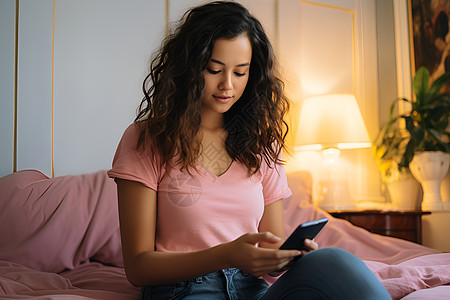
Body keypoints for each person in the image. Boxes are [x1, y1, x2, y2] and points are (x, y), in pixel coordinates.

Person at [107, 1, 391, 299]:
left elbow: (269, 253)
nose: (227, 85)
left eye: (240, 73)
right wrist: (228, 255)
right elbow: (138, 268)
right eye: (213, 69)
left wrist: (286, 255)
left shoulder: (261, 145)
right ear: (189, 68)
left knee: (333, 261)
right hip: (186, 290)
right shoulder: (147, 138)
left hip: (252, 289)